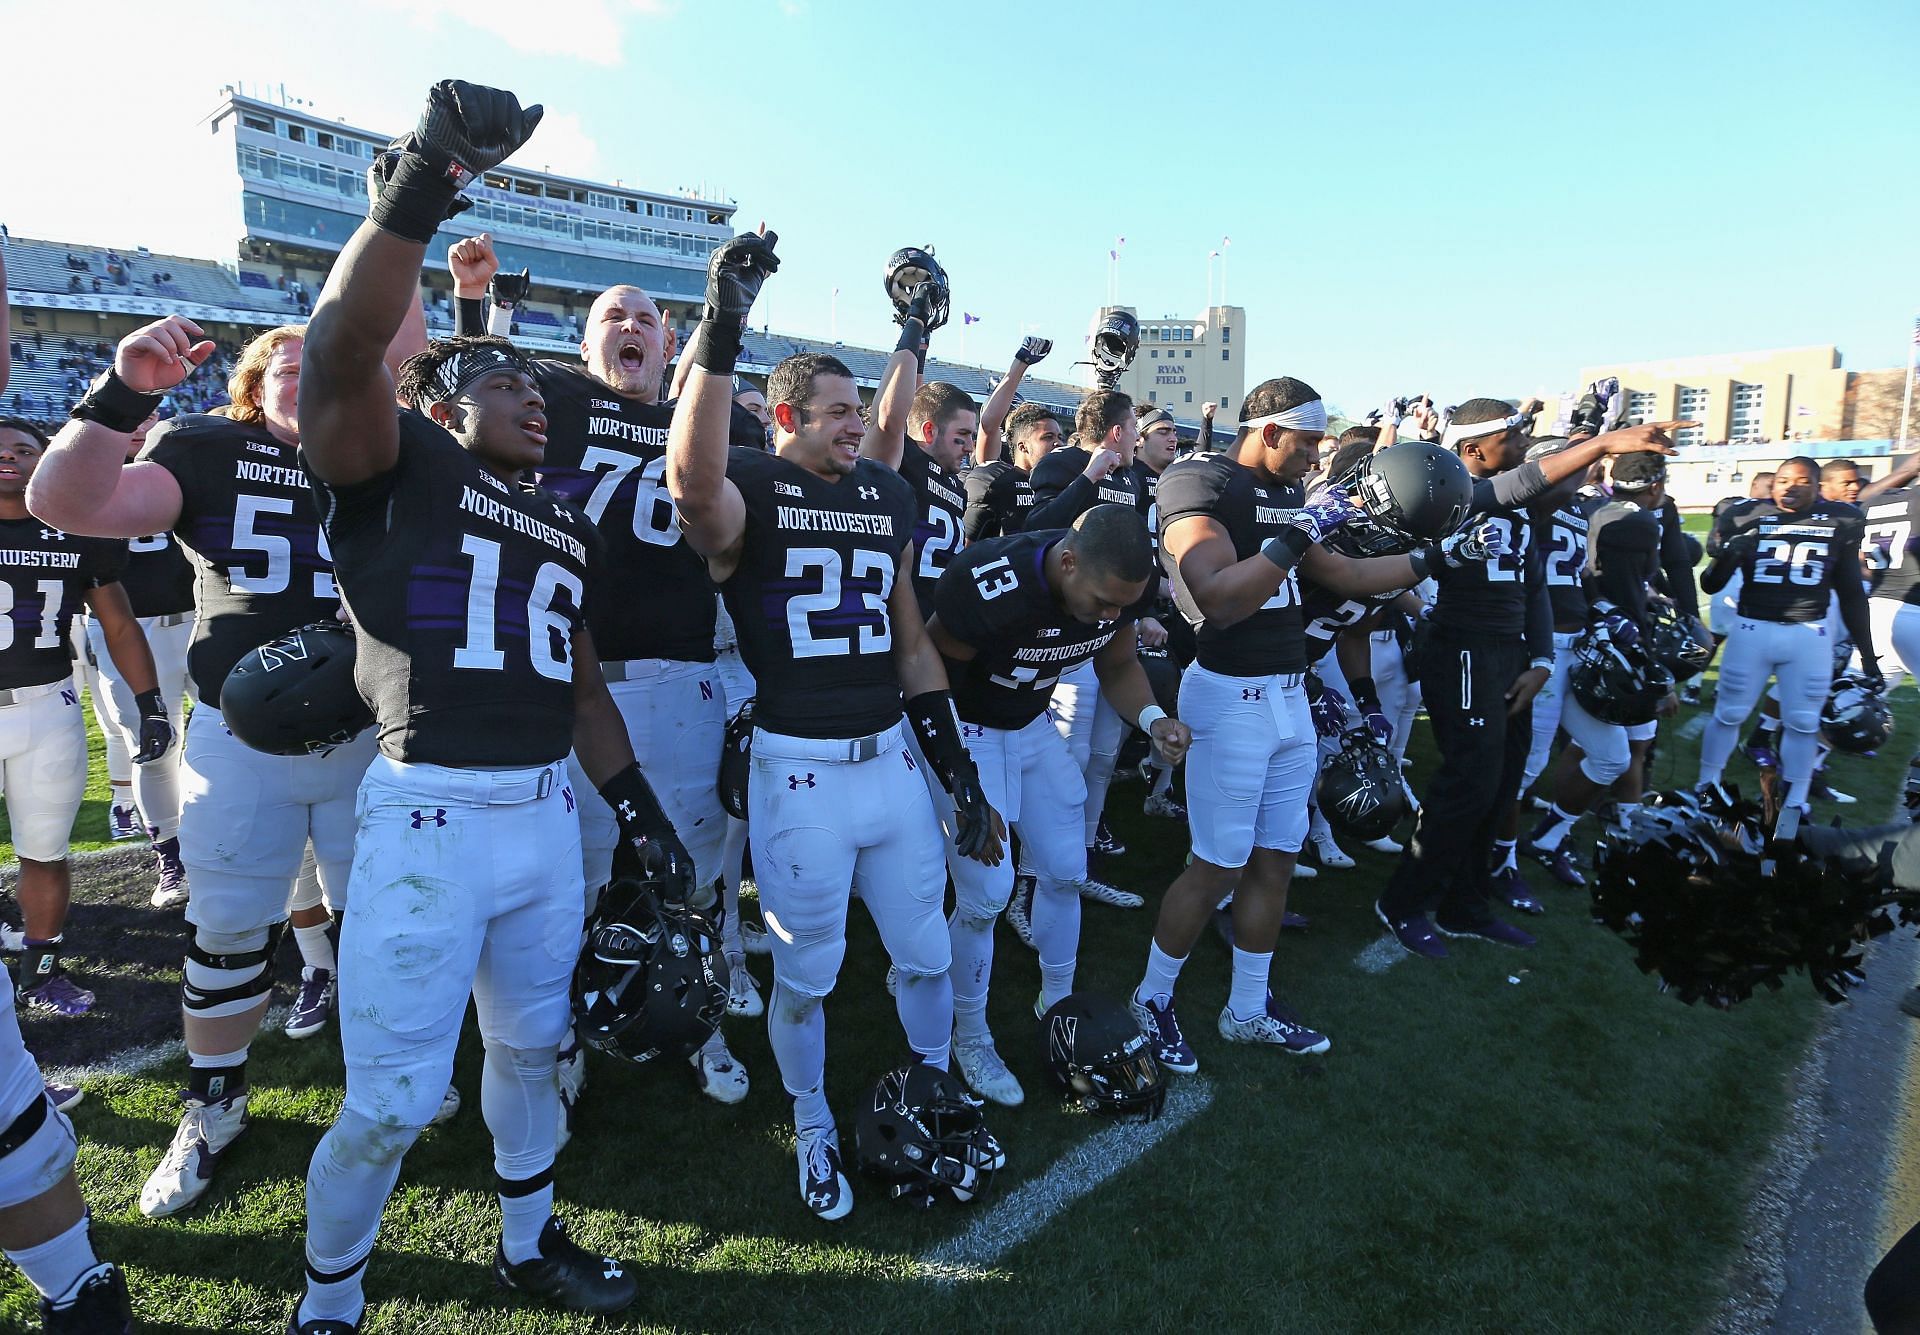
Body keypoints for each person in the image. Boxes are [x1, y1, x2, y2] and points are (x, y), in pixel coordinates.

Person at [287, 79, 650, 1330]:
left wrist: (639, 815)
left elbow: (585, 684)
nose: (533, 395)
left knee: (531, 1051)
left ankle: (526, 1240)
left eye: (539, 387)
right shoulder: (401, 462)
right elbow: (339, 351)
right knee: (389, 1100)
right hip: (430, 812)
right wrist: (423, 180)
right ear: (442, 401)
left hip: (546, 814)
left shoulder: (557, 518)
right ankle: (331, 1299)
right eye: (503, 380)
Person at [26, 312, 412, 1220]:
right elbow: (67, 503)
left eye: (319, 357)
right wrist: (125, 394)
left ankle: (385, 1078)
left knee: (381, 922)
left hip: (372, 734)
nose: (302, 370)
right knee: (231, 928)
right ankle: (213, 1105)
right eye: (283, 359)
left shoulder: (383, 457)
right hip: (240, 742)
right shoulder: (205, 447)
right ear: (249, 386)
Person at [668, 227, 1004, 1220]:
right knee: (808, 975)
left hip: (891, 762)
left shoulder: (885, 492)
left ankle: (934, 1092)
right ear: (783, 418)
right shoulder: (752, 490)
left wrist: (957, 773)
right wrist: (722, 327)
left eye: (859, 411)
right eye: (835, 413)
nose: (856, 426)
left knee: (927, 953)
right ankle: (812, 1124)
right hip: (799, 767)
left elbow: (911, 647)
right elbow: (693, 485)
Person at [446, 230, 752, 1115]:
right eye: (612, 316)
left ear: (670, 344)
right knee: (572, 873)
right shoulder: (558, 402)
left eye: (647, 319)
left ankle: (702, 1022)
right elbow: (462, 393)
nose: (631, 326)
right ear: (582, 347)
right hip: (574, 680)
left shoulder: (701, 420)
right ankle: (569, 1030)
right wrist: (473, 298)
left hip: (685, 673)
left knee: (695, 866)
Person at [1130, 377, 1499, 1071]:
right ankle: (1150, 1001)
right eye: (1306, 442)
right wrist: (1299, 532)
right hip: (1229, 694)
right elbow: (1216, 598)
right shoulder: (1198, 479)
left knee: (1276, 860)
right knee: (1215, 866)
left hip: (1288, 694)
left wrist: (1436, 558)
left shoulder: (1288, 495)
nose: (1316, 456)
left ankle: (1247, 1006)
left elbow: (1342, 575)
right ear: (1269, 432)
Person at [1374, 404, 1688, 957]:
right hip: (1463, 649)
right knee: (1467, 781)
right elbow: (1517, 484)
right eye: (1513, 437)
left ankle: (1464, 904)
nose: (1524, 445)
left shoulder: (1519, 508)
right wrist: (1603, 443)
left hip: (1512, 654)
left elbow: (1535, 586)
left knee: (1500, 783)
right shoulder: (1450, 492)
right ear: (1473, 451)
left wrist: (1542, 660)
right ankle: (1403, 901)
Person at [926, 504, 1190, 1103]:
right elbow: (929, 679)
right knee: (985, 895)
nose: (1112, 615)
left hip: (1030, 722)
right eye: (1103, 602)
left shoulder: (1114, 582)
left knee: (1067, 869)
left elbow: (1118, 659)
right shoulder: (991, 582)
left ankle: (1060, 1005)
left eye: (1124, 605)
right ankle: (970, 1035)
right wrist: (961, 779)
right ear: (1067, 563)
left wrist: (1153, 719)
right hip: (967, 726)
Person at [0, 418, 171, 1023]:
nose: (10, 458)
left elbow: (119, 623)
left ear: (47, 463)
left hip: (48, 703)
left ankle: (40, 970)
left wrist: (150, 701)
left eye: (25, 449)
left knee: (45, 851)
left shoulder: (73, 530)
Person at [1697, 456, 1877, 839]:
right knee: (1728, 713)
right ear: (1773, 483)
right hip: (1752, 628)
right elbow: (1711, 584)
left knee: (1803, 722)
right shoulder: (1746, 514)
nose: (1789, 487)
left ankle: (1795, 803)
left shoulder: (1840, 520)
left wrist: (1866, 649)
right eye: (1782, 480)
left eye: (1801, 481)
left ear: (1818, 487)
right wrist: (1731, 551)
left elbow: (1849, 592)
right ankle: (1706, 787)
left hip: (1808, 633)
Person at [1522, 451, 1677, 861]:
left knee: (1612, 756)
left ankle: (1547, 837)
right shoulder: (1525, 506)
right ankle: (1478, 854)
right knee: (1527, 765)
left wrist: (1603, 611)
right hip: (1540, 646)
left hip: (1576, 642)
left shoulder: (1578, 507)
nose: (1587, 471)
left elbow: (1581, 573)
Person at [78, 411, 196, 908]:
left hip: (203, 617)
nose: (139, 425)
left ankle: (232, 839)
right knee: (153, 746)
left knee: (239, 733)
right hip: (128, 630)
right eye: (128, 416)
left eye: (149, 415)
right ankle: (170, 858)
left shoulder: (189, 465)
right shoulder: (83, 480)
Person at [965, 400, 1061, 542]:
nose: (1058, 443)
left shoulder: (1062, 485)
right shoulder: (998, 481)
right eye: (1048, 437)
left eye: (1060, 437)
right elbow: (967, 550)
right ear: (1023, 447)